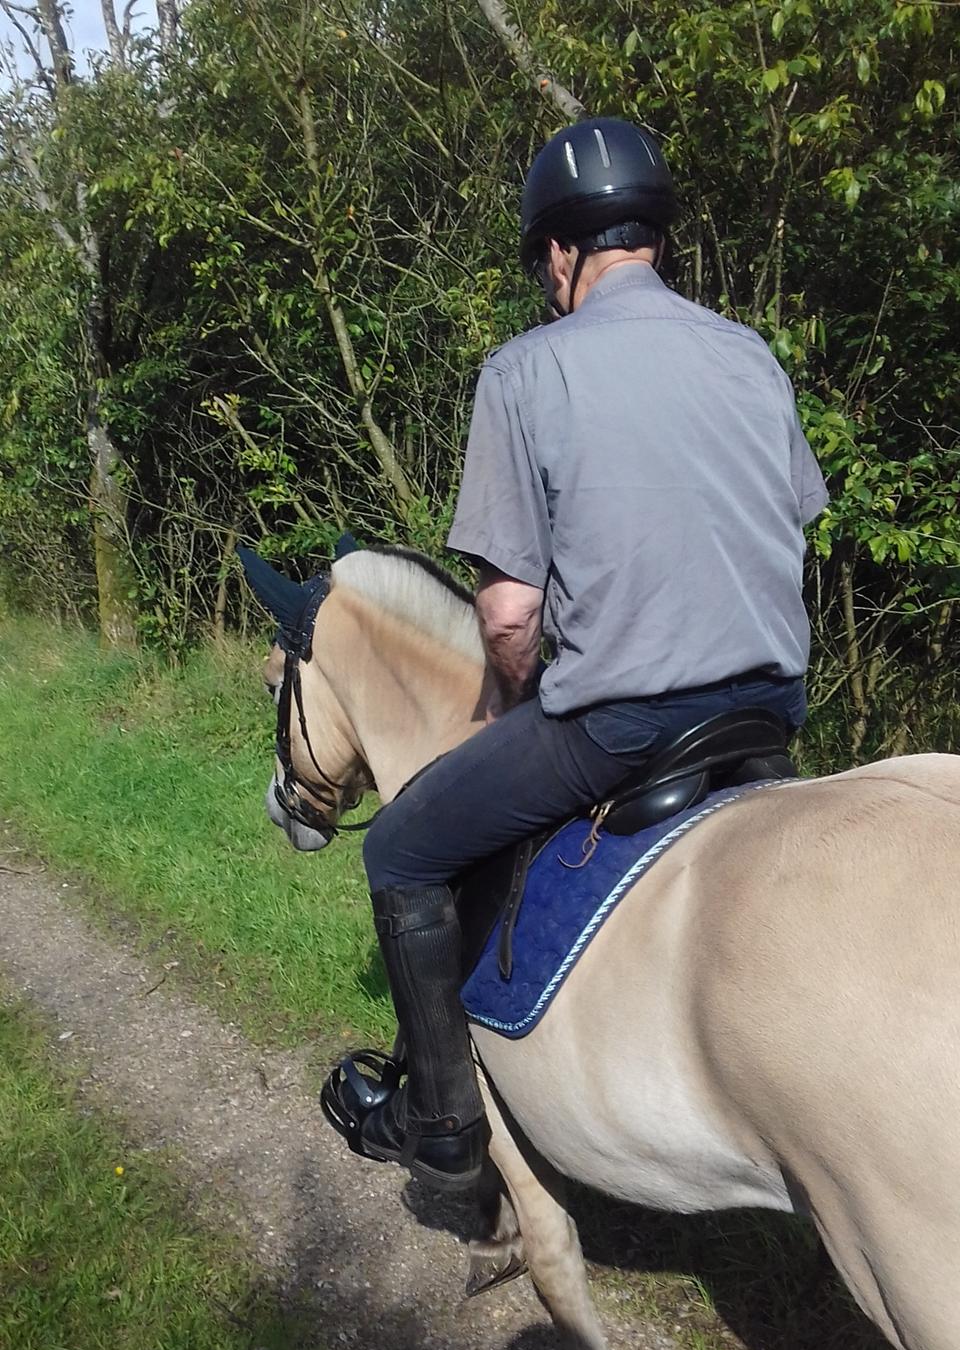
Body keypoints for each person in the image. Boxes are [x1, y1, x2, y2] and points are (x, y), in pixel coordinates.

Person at [321, 117, 829, 1191]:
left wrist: (515, 699)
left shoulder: (524, 371)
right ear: (653, 239)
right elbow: (791, 526)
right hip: (771, 711)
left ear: (559, 255)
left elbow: (508, 617)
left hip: (628, 727)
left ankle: (444, 1124)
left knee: (401, 849)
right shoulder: (751, 355)